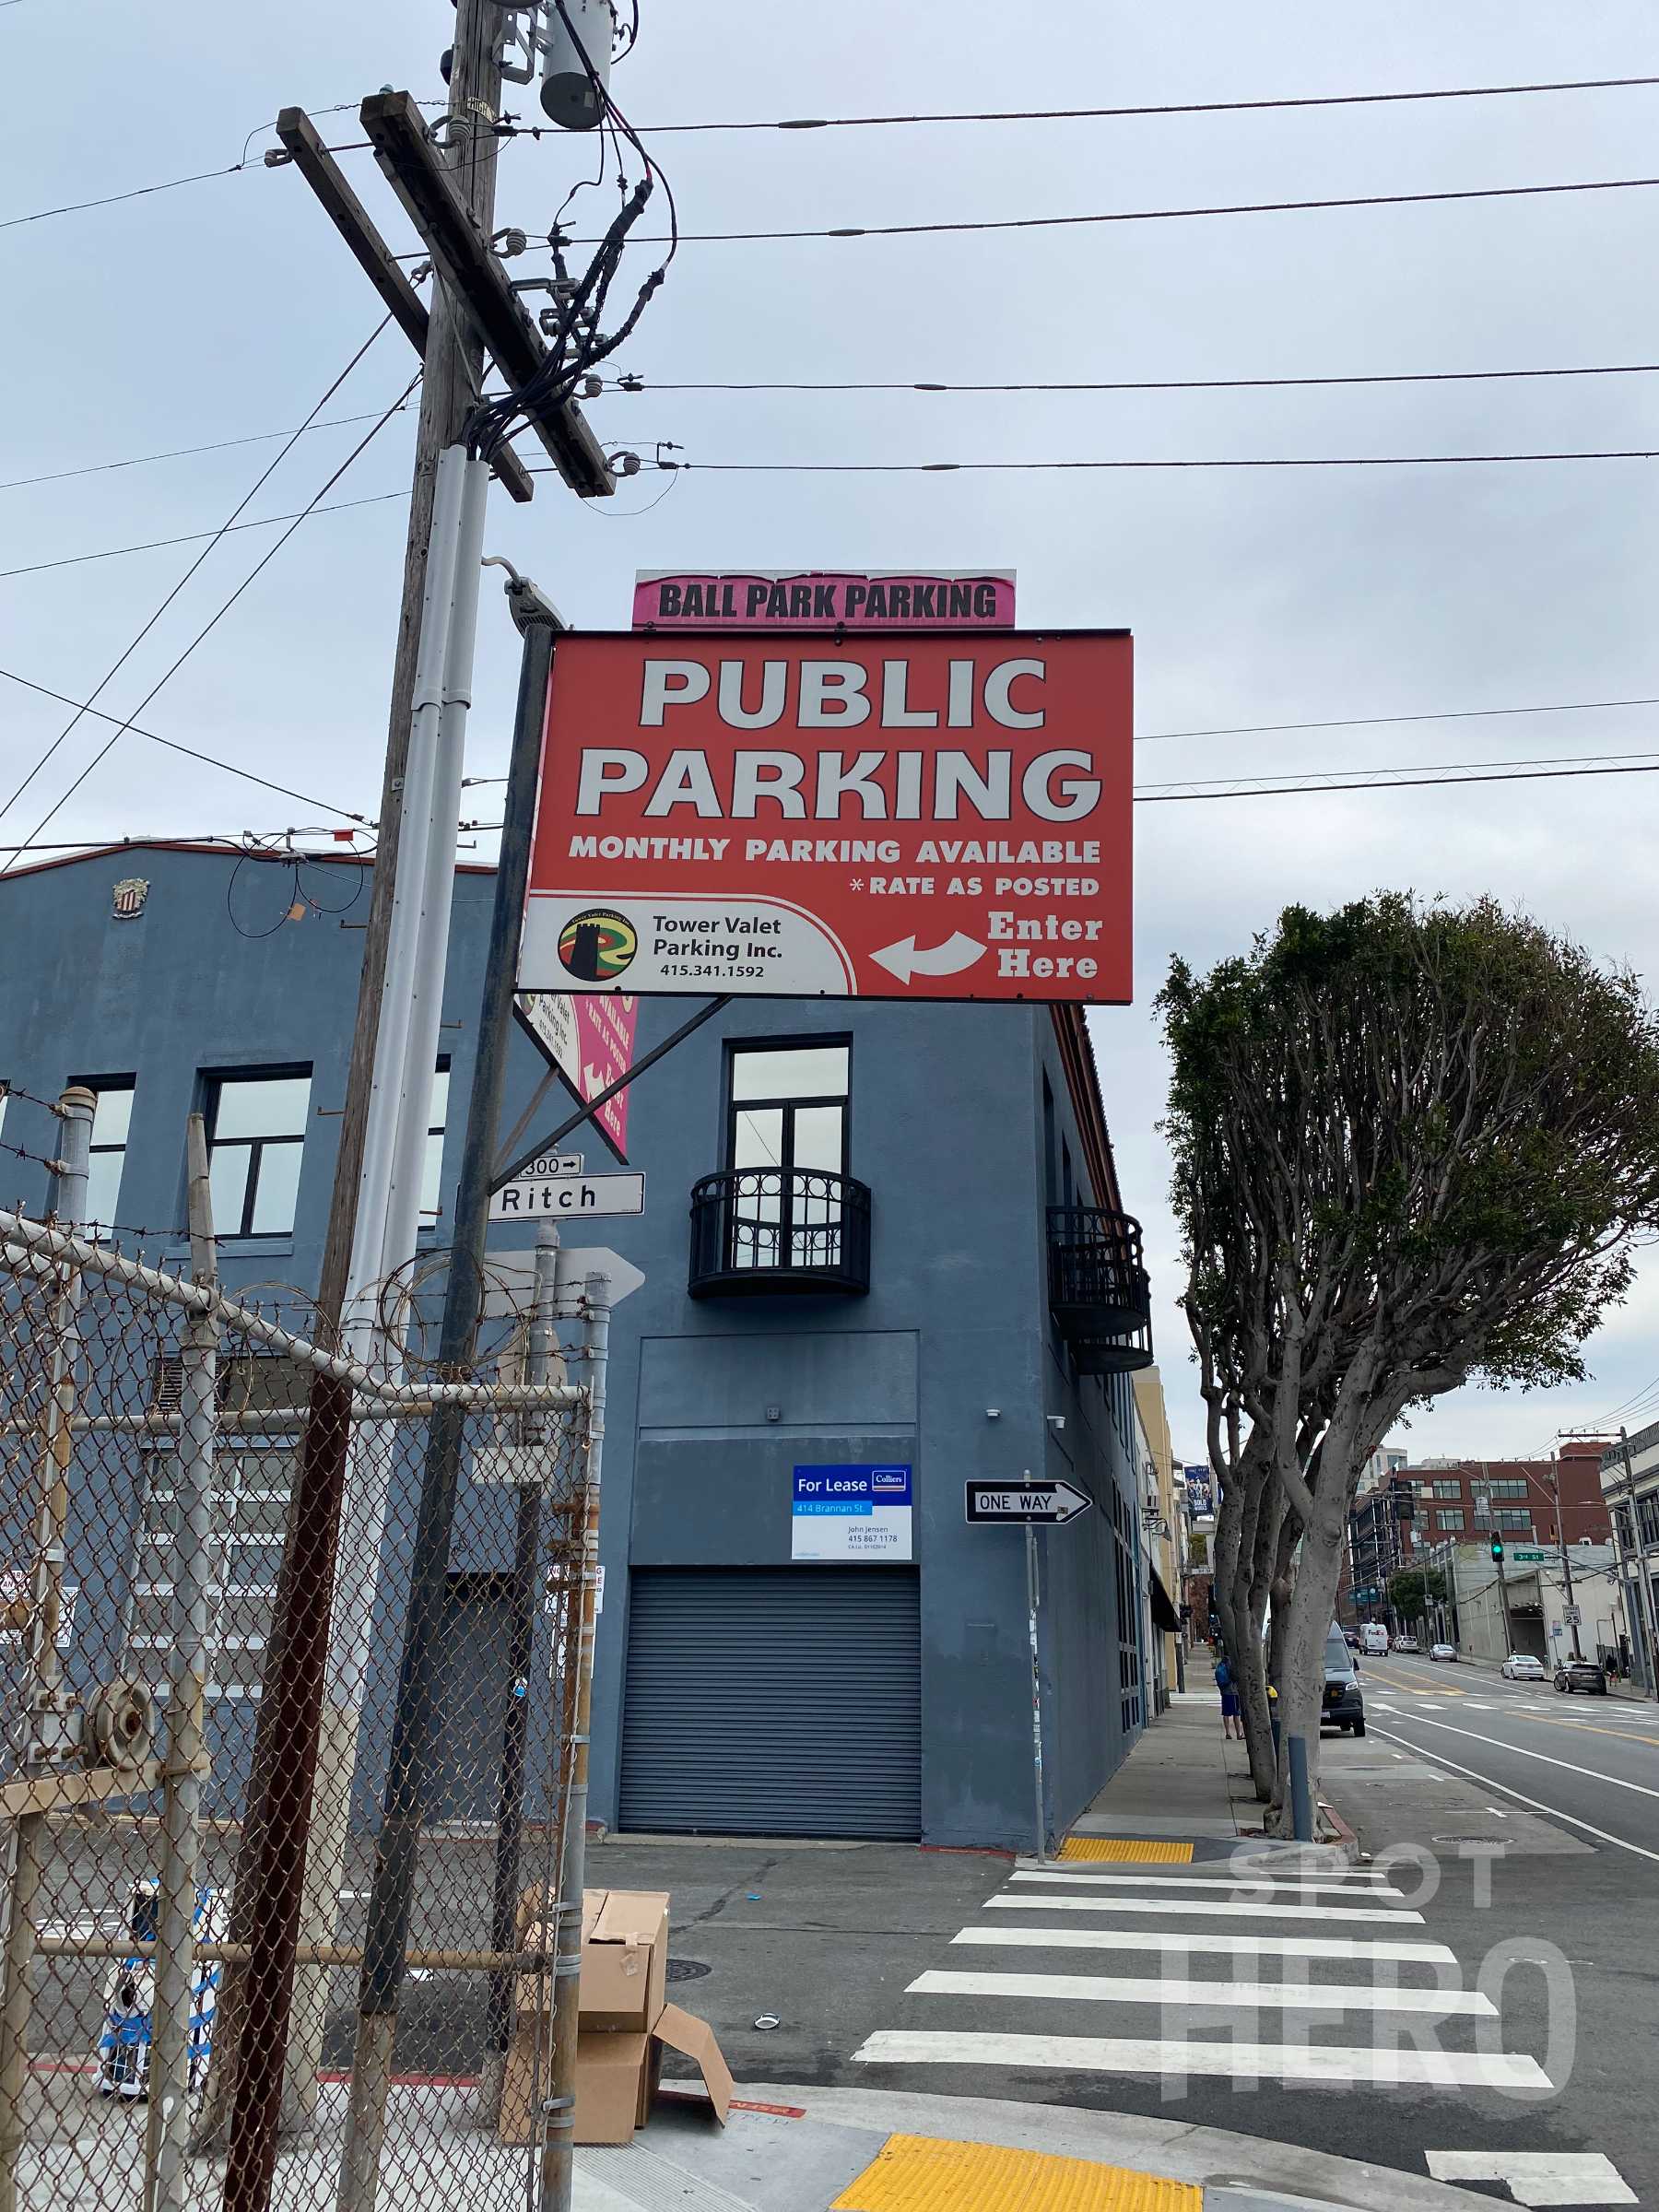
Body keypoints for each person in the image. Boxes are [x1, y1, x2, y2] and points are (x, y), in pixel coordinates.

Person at [1215, 1650, 1244, 1740]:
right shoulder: (1232, 1664)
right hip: (1233, 1692)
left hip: (1225, 1692)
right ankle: (1238, 1734)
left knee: (1226, 1713)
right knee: (1236, 1714)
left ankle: (1228, 1733)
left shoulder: (1221, 1665)